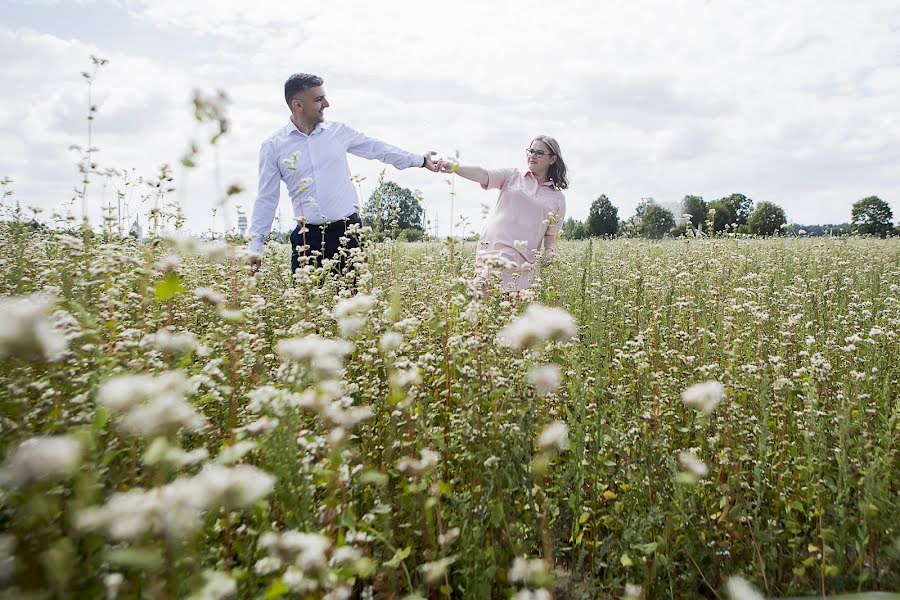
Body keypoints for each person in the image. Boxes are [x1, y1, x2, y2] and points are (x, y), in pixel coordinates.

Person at [248, 73, 439, 275]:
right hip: (307, 241)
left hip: (349, 233)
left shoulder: (338, 132)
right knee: (306, 305)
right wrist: (255, 248)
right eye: (318, 99)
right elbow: (266, 199)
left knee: (354, 305)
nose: (327, 104)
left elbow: (378, 149)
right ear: (298, 105)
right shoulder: (273, 146)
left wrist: (421, 161)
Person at [435, 136, 568, 291]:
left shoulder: (557, 198)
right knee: (479, 294)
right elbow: (483, 174)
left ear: (552, 159)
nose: (532, 155)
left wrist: (550, 253)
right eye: (530, 151)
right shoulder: (512, 176)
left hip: (524, 263)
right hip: (493, 251)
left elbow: (551, 236)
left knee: (509, 312)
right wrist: (455, 168)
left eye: (539, 153)